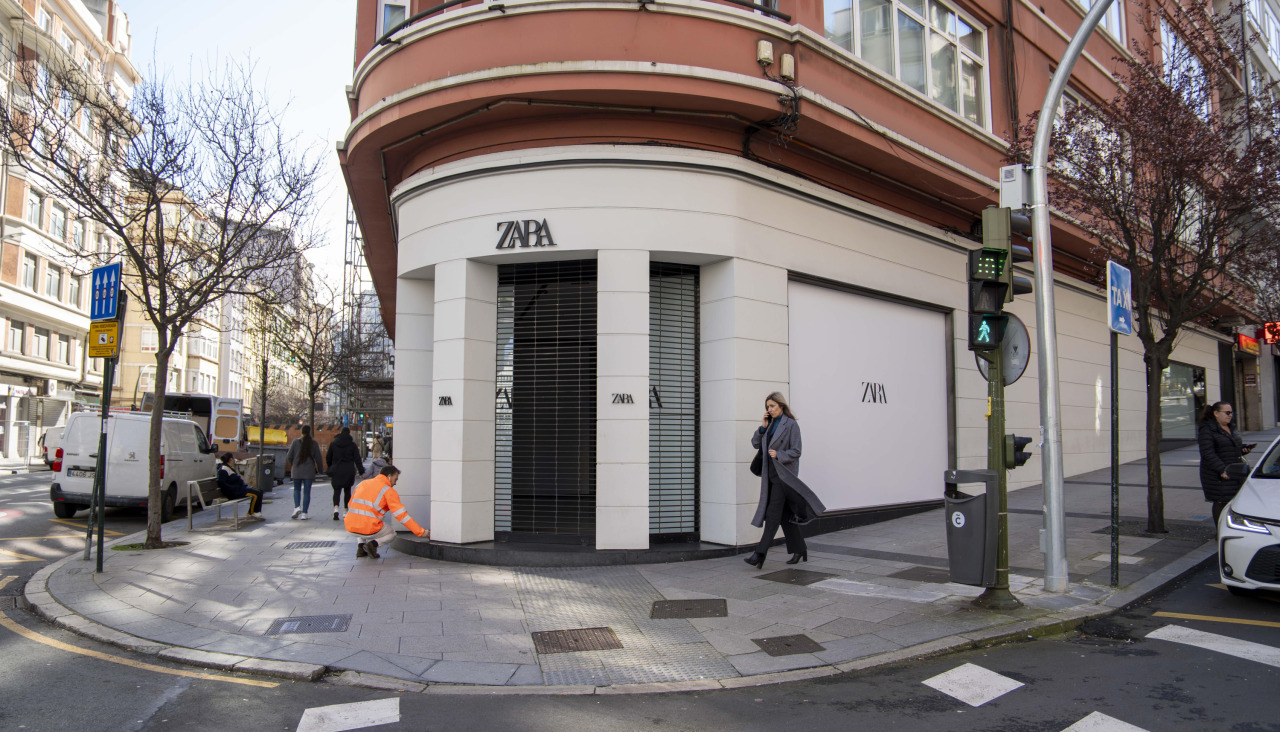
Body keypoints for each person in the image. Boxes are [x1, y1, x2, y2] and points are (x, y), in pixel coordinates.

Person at [744, 392, 826, 568]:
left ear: (781, 406)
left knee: (773, 513)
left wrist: (779, 454)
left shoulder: (791, 425)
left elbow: (796, 451)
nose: (770, 409)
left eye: (772, 406)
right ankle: (800, 549)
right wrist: (762, 428)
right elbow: (755, 443)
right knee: (784, 515)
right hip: (770, 475)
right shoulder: (769, 424)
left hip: (784, 476)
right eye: (767, 406)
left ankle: (760, 553)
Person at [344, 464, 428, 558]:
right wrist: (421, 532)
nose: (395, 483)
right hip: (369, 528)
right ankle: (372, 544)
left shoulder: (361, 484)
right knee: (392, 534)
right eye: (395, 479)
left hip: (350, 527)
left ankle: (360, 547)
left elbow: (351, 505)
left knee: (360, 519)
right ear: (389, 476)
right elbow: (402, 516)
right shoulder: (388, 491)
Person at [1198, 402, 1255, 526]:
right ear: (1216, 413)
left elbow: (1230, 448)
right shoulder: (1207, 429)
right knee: (1221, 501)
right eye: (1227, 412)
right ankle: (1220, 530)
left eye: (1231, 412)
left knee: (1233, 500)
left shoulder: (1231, 427)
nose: (1230, 415)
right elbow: (1207, 453)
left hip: (1234, 470)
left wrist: (1243, 449)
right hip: (1217, 473)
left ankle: (1232, 527)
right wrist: (1222, 469)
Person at [285, 424, 325, 520]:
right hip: (308, 471)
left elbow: (289, 456)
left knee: (296, 489)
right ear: (309, 432)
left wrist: (293, 464)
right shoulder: (314, 443)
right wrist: (320, 470)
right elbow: (318, 458)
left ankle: (297, 507)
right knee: (307, 492)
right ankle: (304, 513)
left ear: (301, 432)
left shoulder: (295, 442)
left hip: (297, 470)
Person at [326, 427, 364, 521]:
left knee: (336, 490)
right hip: (348, 470)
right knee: (347, 490)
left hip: (337, 470)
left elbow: (328, 457)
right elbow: (357, 459)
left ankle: (336, 509)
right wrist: (361, 471)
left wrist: (331, 466)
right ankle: (346, 510)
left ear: (340, 433)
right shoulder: (352, 445)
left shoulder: (334, 443)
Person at [215, 453, 264, 519]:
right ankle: (252, 513)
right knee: (256, 494)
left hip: (239, 489)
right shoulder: (223, 469)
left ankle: (256, 512)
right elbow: (221, 482)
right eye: (233, 459)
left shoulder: (228, 468)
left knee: (260, 491)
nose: (234, 460)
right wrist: (233, 488)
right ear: (230, 459)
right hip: (234, 492)